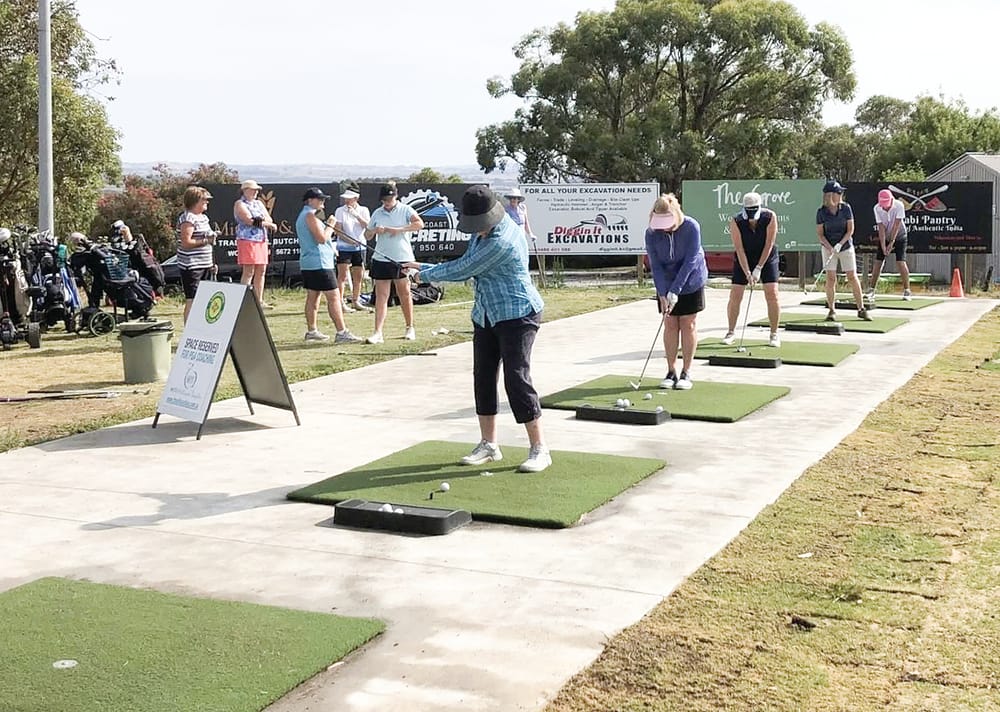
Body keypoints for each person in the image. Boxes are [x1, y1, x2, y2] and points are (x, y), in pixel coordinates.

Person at [403, 185, 550, 473]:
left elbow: (464, 269)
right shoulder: (482, 231)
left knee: (516, 379)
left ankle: (539, 448)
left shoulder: (503, 240)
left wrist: (423, 274)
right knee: (483, 377)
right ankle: (489, 445)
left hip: (517, 314)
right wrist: (421, 265)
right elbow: (466, 263)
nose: (476, 230)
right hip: (485, 313)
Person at [644, 193, 708, 390]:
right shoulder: (652, 233)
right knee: (670, 323)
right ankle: (671, 371)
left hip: (691, 279)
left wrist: (676, 289)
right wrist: (663, 293)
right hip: (666, 281)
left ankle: (686, 372)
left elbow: (691, 261)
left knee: (688, 324)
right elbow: (655, 265)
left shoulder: (691, 227)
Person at [295, 187, 362, 343]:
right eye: (320, 200)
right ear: (310, 200)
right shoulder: (310, 215)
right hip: (319, 263)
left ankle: (312, 330)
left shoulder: (306, 215)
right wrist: (331, 225)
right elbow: (321, 238)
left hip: (310, 262)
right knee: (334, 297)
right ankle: (342, 332)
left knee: (313, 296)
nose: (323, 204)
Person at [363, 181, 424, 344]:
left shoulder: (405, 209)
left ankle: (410, 327)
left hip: (401, 257)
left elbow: (419, 224)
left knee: (404, 293)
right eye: (384, 199)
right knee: (381, 296)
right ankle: (378, 332)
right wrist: (375, 230)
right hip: (381, 257)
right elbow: (367, 235)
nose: (387, 202)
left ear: (395, 196)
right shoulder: (377, 213)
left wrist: (399, 230)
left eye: (389, 198)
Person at [723, 192, 781, 347]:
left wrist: (759, 268)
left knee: (772, 292)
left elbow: (769, 244)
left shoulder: (770, 217)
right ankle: (731, 332)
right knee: (736, 293)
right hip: (745, 257)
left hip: (767, 257)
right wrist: (748, 272)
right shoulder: (736, 220)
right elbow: (739, 249)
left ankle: (774, 334)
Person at [816, 180, 871, 321]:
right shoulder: (821, 212)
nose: (841, 194)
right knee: (831, 278)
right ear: (830, 195)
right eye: (839, 192)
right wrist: (830, 248)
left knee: (852, 276)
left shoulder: (846, 208)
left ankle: (861, 309)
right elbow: (820, 235)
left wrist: (840, 244)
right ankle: (831, 310)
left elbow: (850, 230)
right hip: (828, 248)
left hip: (845, 246)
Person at [176, 186, 217, 323]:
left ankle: (201, 326)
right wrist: (206, 241)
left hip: (206, 263)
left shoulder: (204, 218)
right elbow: (186, 242)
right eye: (204, 200)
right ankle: (189, 329)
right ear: (195, 200)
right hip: (192, 265)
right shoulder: (188, 218)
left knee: (205, 297)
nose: (207, 202)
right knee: (192, 299)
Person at [233, 179, 277, 307]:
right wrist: (267, 223)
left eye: (257, 190)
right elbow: (249, 220)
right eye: (253, 190)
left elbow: (268, 218)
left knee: (261, 270)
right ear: (245, 190)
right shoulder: (239, 204)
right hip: (247, 240)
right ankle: (244, 300)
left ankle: (259, 300)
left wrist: (264, 221)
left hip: (261, 239)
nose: (256, 192)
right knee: (249, 271)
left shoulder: (258, 203)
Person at [334, 180, 371, 312]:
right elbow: (337, 230)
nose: (347, 201)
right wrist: (348, 240)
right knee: (342, 276)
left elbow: (368, 226)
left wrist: (357, 215)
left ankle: (356, 300)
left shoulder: (363, 210)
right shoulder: (340, 211)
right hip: (344, 246)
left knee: (358, 275)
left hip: (360, 247)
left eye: (349, 199)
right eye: (345, 199)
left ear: (356, 198)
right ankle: (340, 303)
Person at [868, 188, 911, 302]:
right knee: (878, 262)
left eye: (886, 204)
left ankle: (907, 290)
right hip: (885, 236)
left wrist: (891, 243)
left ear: (891, 200)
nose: (885, 207)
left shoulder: (899, 205)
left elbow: (896, 225)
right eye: (883, 204)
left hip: (900, 235)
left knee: (900, 262)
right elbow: (881, 228)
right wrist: (883, 244)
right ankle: (871, 290)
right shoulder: (877, 208)